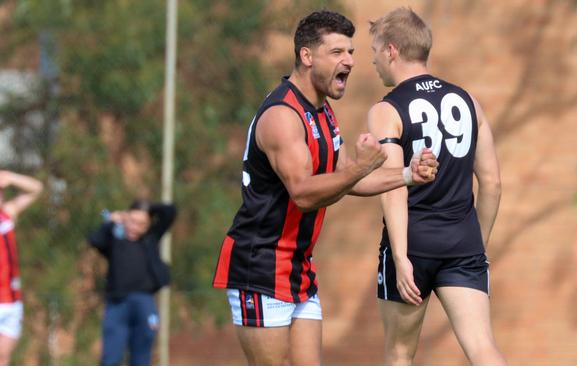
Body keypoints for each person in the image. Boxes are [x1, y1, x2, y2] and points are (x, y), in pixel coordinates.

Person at [212, 10, 439, 366]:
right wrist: (362, 165)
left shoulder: (323, 112)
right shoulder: (281, 117)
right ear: (306, 56)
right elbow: (303, 194)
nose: (349, 61)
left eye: (350, 52)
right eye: (337, 53)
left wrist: (407, 175)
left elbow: (346, 177)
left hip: (299, 267)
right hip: (260, 266)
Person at [367, 8, 506, 366]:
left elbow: (394, 185)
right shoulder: (468, 101)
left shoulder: (387, 109)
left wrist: (400, 257)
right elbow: (491, 182)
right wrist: (478, 247)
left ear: (392, 51)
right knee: (483, 347)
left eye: (375, 51)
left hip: (412, 245)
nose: (373, 61)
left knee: (400, 353)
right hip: (463, 244)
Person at [88, 200, 176, 366]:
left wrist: (148, 208)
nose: (135, 227)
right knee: (111, 357)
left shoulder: (150, 238)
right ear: (125, 218)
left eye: (141, 224)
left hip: (144, 302)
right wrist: (111, 221)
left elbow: (170, 211)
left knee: (142, 355)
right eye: (132, 222)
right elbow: (95, 240)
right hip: (117, 302)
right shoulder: (114, 239)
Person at [0, 170, 43, 366]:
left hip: (12, 301)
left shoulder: (7, 214)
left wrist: (10, 177)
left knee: (3, 357)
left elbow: (36, 189)